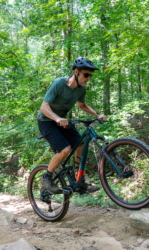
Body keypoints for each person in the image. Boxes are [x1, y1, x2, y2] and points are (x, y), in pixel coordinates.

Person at [37, 57, 107, 194]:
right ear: (76, 72)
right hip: (46, 121)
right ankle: (46, 178)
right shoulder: (59, 84)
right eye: (85, 75)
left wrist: (96, 115)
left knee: (80, 145)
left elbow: (82, 105)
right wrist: (57, 118)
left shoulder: (81, 89)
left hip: (61, 121)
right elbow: (44, 107)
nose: (88, 78)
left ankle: (79, 180)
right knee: (65, 149)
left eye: (90, 76)